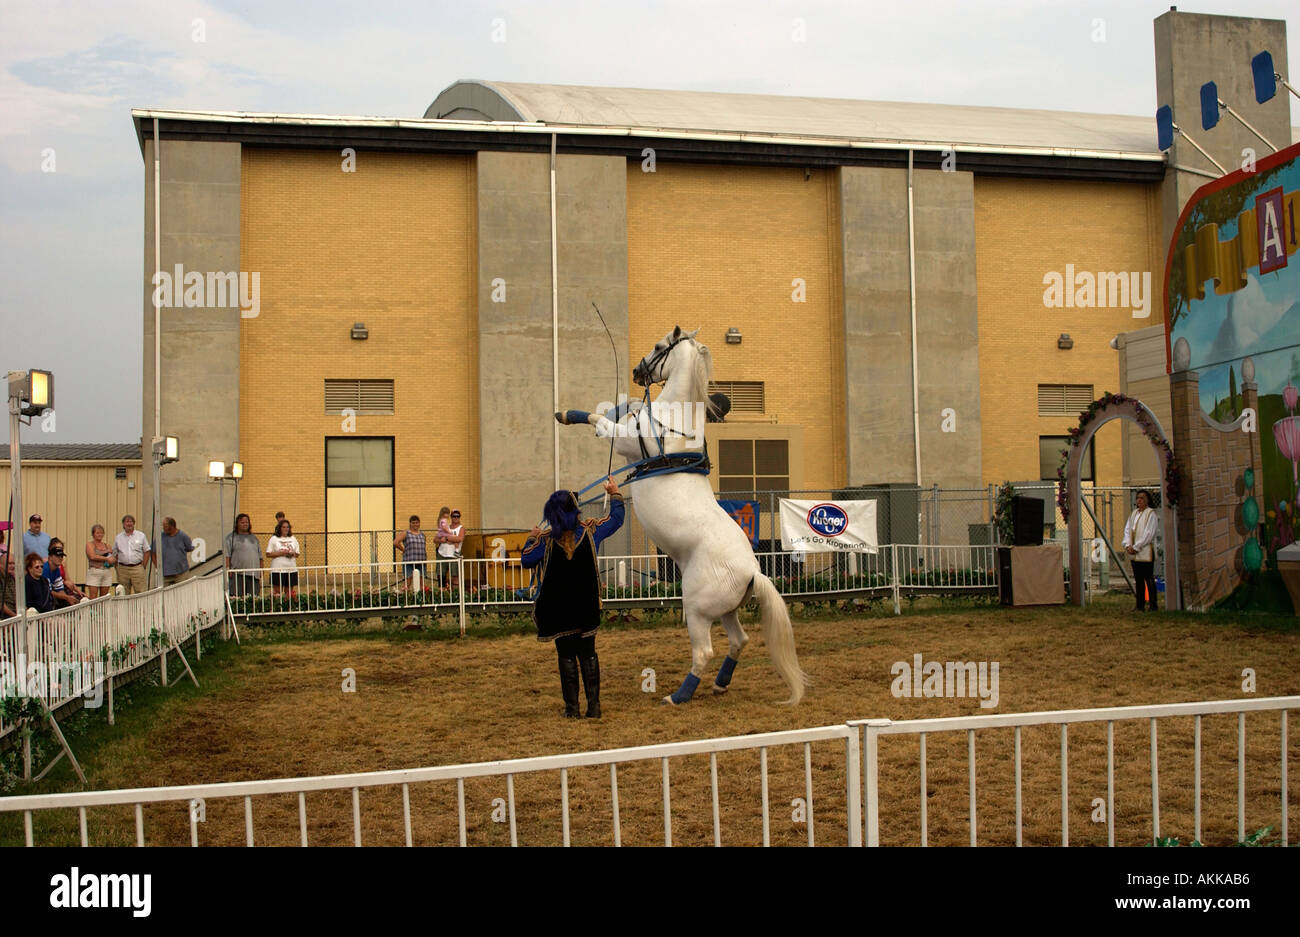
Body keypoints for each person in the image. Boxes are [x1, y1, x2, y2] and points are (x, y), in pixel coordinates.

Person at [521, 477, 625, 718]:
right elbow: (616, 519)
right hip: (585, 606)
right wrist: (615, 493)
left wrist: (531, 537)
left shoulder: (545, 541)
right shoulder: (590, 532)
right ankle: (594, 707)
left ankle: (572, 709)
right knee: (588, 653)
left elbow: (526, 560)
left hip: (558, 611)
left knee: (566, 655)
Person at [1123, 489, 1160, 612]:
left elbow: (1148, 534)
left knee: (1148, 578)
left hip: (1145, 551)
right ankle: (1140, 605)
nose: (1139, 500)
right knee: (1138, 579)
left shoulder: (1151, 514)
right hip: (1134, 553)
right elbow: (1128, 530)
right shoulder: (1133, 514)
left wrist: (1136, 546)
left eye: (1142, 498)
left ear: (1147, 500)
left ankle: (1153, 605)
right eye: (1138, 498)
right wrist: (1128, 544)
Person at [224, 513, 263, 597]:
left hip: (254, 574)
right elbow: (227, 556)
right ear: (237, 524)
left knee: (254, 598)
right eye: (242, 522)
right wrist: (228, 569)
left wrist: (261, 570)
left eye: (247, 522)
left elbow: (260, 556)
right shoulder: (230, 538)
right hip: (237, 573)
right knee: (236, 597)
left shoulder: (254, 538)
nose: (245, 524)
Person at [113, 514, 151, 594]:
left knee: (140, 592)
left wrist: (143, 565)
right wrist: (117, 568)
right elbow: (115, 553)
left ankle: (141, 607)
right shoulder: (118, 537)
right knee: (123, 593)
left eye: (131, 522)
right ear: (123, 524)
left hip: (137, 568)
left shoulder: (141, 536)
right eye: (127, 522)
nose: (129, 524)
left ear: (134, 523)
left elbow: (147, 551)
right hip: (123, 569)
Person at [43, 538, 84, 607]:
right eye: (57, 556)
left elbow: (60, 590)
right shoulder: (45, 569)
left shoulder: (57, 570)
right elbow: (48, 592)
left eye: (61, 556)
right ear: (50, 557)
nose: (60, 558)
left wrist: (70, 598)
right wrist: (67, 598)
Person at [266, 518, 301, 598]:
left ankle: (288, 607)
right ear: (279, 528)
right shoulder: (274, 539)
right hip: (278, 569)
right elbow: (268, 554)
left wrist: (292, 553)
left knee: (289, 592)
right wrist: (280, 553)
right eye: (284, 527)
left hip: (291, 569)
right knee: (277, 592)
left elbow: (297, 554)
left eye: (287, 527)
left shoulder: (293, 538)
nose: (286, 529)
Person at [393, 515, 427, 591]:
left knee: (421, 583)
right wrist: (403, 550)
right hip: (409, 561)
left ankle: (422, 599)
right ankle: (404, 598)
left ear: (419, 523)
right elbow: (395, 542)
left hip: (421, 561)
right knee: (408, 582)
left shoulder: (422, 534)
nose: (415, 524)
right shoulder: (406, 533)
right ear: (410, 523)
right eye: (413, 523)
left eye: (417, 522)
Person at [159, 517, 196, 586]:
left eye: (165, 526)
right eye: (163, 526)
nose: (163, 528)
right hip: (166, 574)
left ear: (172, 526)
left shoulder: (183, 536)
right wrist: (158, 566)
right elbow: (153, 551)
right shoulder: (161, 536)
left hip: (181, 573)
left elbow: (190, 548)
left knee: (182, 591)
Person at [435, 510, 466, 588]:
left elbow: (460, 539)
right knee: (441, 575)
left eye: (457, 516)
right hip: (442, 554)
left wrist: (446, 538)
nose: (455, 517)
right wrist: (442, 540)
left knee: (455, 575)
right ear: (451, 517)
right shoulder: (445, 527)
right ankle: (442, 594)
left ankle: (456, 594)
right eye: (453, 516)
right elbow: (435, 539)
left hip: (454, 555)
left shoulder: (461, 528)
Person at [85, 524, 116, 598]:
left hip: (106, 570)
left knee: (104, 597)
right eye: (97, 533)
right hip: (95, 571)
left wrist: (112, 560)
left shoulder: (106, 545)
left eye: (101, 533)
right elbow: (92, 556)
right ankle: (93, 610)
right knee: (93, 597)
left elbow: (111, 556)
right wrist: (106, 557)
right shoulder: (90, 544)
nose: (100, 535)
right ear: (93, 534)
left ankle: (102, 610)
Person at [1, 549, 18, 619]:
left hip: (15, 616)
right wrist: (15, 616)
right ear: (1, 565)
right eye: (9, 563)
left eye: (13, 563)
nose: (13, 566)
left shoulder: (12, 577)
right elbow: (1, 604)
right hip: (5, 619)